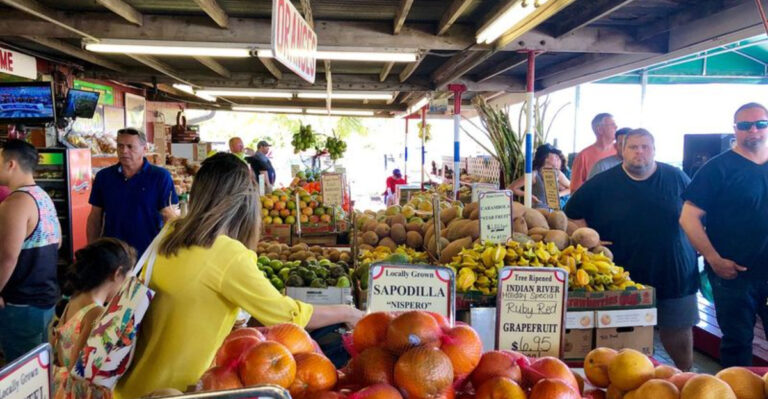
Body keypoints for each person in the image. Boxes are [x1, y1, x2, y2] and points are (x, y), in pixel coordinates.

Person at [115, 153, 363, 398]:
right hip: (176, 390)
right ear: (245, 201)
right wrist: (348, 312)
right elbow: (287, 316)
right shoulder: (227, 254)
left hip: (128, 384)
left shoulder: (171, 232)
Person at [565, 129, 699, 370]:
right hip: (623, 274)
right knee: (626, 345)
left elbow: (698, 213)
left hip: (674, 270)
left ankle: (685, 377)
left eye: (645, 147)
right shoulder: (602, 182)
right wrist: (591, 239)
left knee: (678, 332)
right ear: (622, 151)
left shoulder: (677, 178)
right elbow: (572, 213)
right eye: (633, 147)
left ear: (654, 150)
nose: (640, 152)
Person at [679, 102, 768, 367]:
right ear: (735, 129)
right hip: (733, 275)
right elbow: (688, 217)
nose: (753, 130)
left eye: (760, 124)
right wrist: (713, 259)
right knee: (737, 343)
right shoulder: (717, 169)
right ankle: (735, 387)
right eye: (745, 125)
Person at [0, 140, 62, 362]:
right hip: (45, 298)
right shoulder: (42, 197)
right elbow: (58, 241)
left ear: (11, 164)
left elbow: (8, 256)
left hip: (21, 302)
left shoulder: (16, 202)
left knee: (21, 368)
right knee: (41, 365)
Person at [50, 238, 135, 399]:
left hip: (59, 387)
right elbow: (79, 369)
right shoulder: (96, 313)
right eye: (127, 279)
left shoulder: (73, 300)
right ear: (117, 273)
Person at [87, 128, 178, 255]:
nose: (124, 151)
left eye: (130, 147)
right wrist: (92, 249)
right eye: (120, 146)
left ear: (144, 149)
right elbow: (95, 217)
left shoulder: (160, 177)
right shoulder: (104, 177)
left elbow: (168, 215)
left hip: (149, 252)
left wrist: (172, 251)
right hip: (113, 254)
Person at [508, 144, 570, 210]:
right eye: (555, 156)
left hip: (553, 212)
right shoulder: (534, 175)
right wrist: (529, 195)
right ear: (546, 158)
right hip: (538, 212)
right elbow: (512, 188)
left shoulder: (557, 173)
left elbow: (571, 187)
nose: (557, 158)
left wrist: (558, 194)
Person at [570, 113, 618, 192]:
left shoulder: (622, 152)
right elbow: (575, 190)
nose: (616, 127)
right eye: (612, 125)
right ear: (600, 129)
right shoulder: (583, 156)